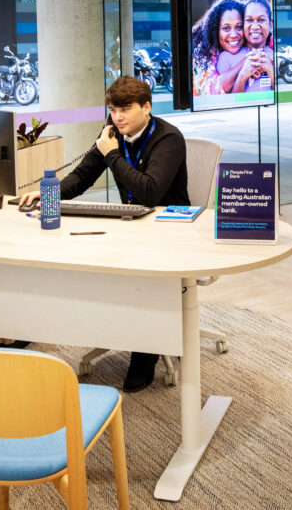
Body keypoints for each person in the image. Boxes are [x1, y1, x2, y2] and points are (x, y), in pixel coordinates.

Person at [19, 75, 189, 392]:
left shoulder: (168, 138)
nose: (118, 117)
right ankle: (123, 329)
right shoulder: (111, 134)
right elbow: (82, 177)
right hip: (130, 224)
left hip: (169, 230)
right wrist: (50, 193)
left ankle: (146, 351)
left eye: (125, 109)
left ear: (147, 107)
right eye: (113, 109)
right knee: (91, 266)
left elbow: (150, 193)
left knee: (144, 277)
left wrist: (112, 154)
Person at [191, 0, 246, 95]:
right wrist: (246, 61)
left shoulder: (248, 43)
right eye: (226, 28)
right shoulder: (201, 51)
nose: (233, 35)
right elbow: (211, 90)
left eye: (239, 27)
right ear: (216, 30)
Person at [233, 0, 275, 94]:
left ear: (270, 25)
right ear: (242, 24)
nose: (255, 27)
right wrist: (243, 75)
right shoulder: (226, 57)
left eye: (261, 20)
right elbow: (228, 103)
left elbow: (282, 101)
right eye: (249, 20)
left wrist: (270, 70)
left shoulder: (276, 56)